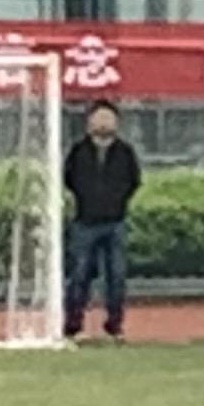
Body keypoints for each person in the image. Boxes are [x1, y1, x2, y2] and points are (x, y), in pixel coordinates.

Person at [64, 99, 141, 339]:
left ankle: (114, 326)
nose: (104, 122)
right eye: (99, 117)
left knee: (116, 276)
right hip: (84, 223)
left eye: (108, 118)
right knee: (79, 274)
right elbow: (69, 178)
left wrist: (117, 202)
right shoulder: (78, 151)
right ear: (89, 123)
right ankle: (73, 325)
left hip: (115, 223)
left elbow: (133, 181)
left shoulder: (125, 152)